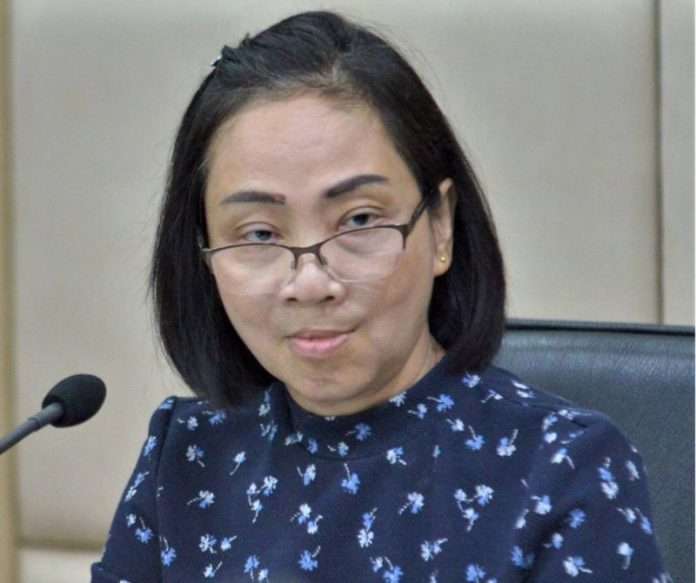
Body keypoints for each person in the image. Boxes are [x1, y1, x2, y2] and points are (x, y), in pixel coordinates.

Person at [91, 11, 670, 582]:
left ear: (440, 226)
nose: (310, 283)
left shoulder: (561, 468)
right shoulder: (187, 456)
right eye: (260, 234)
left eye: (359, 220)